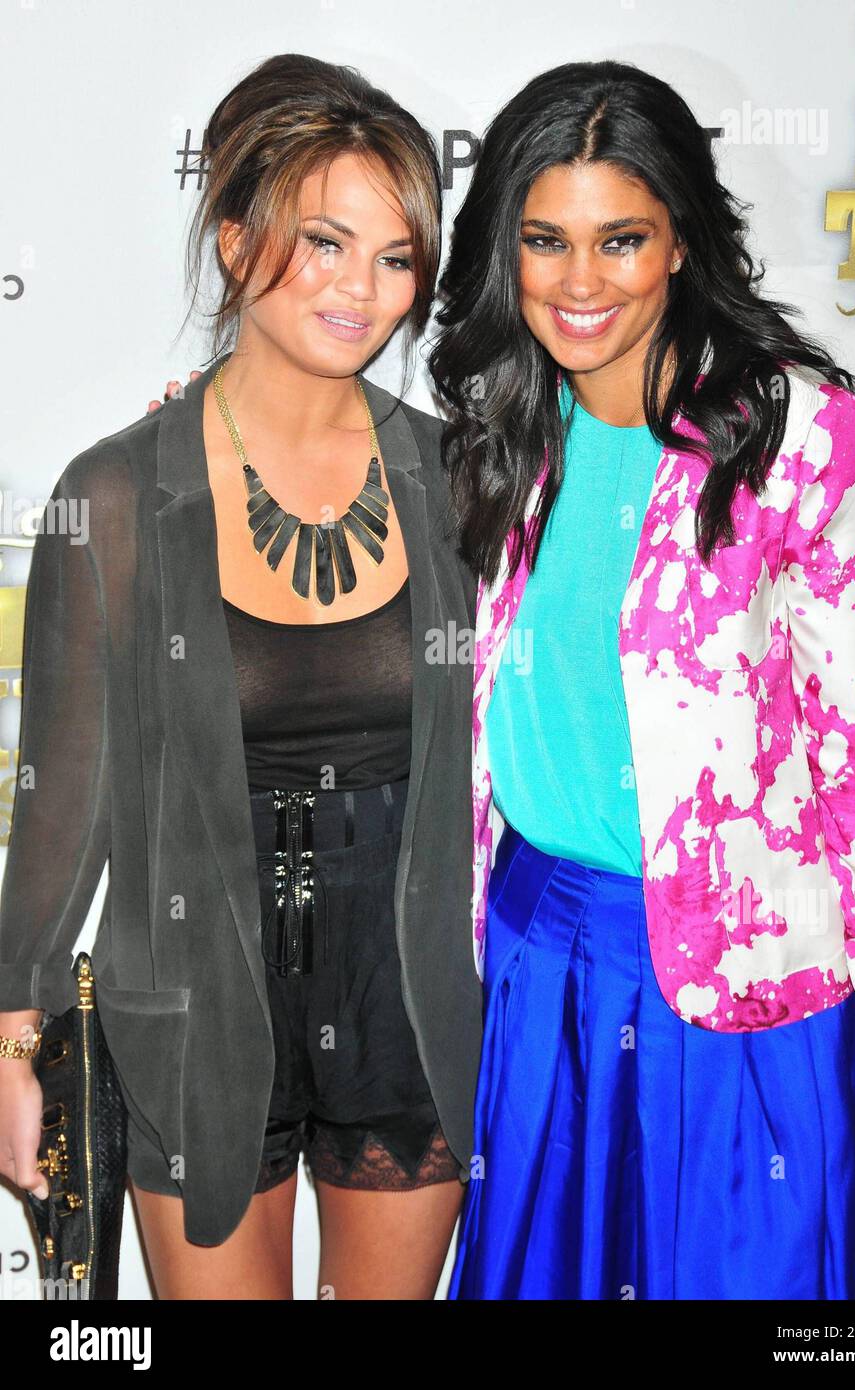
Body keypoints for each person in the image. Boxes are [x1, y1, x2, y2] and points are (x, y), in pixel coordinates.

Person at [428, 59, 855, 1300]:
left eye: (621, 239)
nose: (579, 281)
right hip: (535, 960)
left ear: (680, 242)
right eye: (544, 240)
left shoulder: (804, 440)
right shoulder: (504, 432)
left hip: (743, 986)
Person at [0, 53, 481, 1301]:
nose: (361, 290)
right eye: (324, 242)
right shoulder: (113, 497)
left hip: (411, 1001)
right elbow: (61, 809)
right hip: (194, 1000)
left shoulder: (461, 481)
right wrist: (17, 1039)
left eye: (393, 257)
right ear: (234, 237)